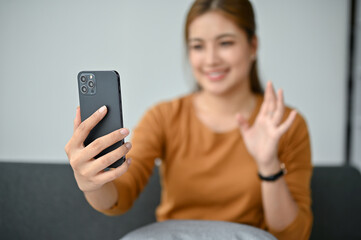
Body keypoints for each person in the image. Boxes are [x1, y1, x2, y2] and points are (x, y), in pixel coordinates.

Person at [64, 0, 313, 239]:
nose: (211, 59)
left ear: (253, 46)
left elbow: (293, 235)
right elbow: (121, 196)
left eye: (225, 43)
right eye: (197, 46)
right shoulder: (165, 117)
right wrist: (91, 182)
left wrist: (269, 165)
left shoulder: (286, 125)